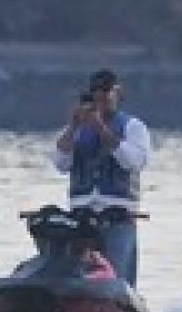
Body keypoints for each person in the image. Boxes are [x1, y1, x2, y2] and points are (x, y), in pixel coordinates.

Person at [49, 68, 151, 286]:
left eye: (107, 92)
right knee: (72, 271)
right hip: (81, 214)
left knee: (117, 277)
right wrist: (74, 126)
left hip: (117, 215)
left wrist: (102, 130)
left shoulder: (133, 127)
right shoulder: (76, 128)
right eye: (96, 93)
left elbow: (134, 162)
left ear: (118, 93)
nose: (102, 98)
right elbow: (60, 162)